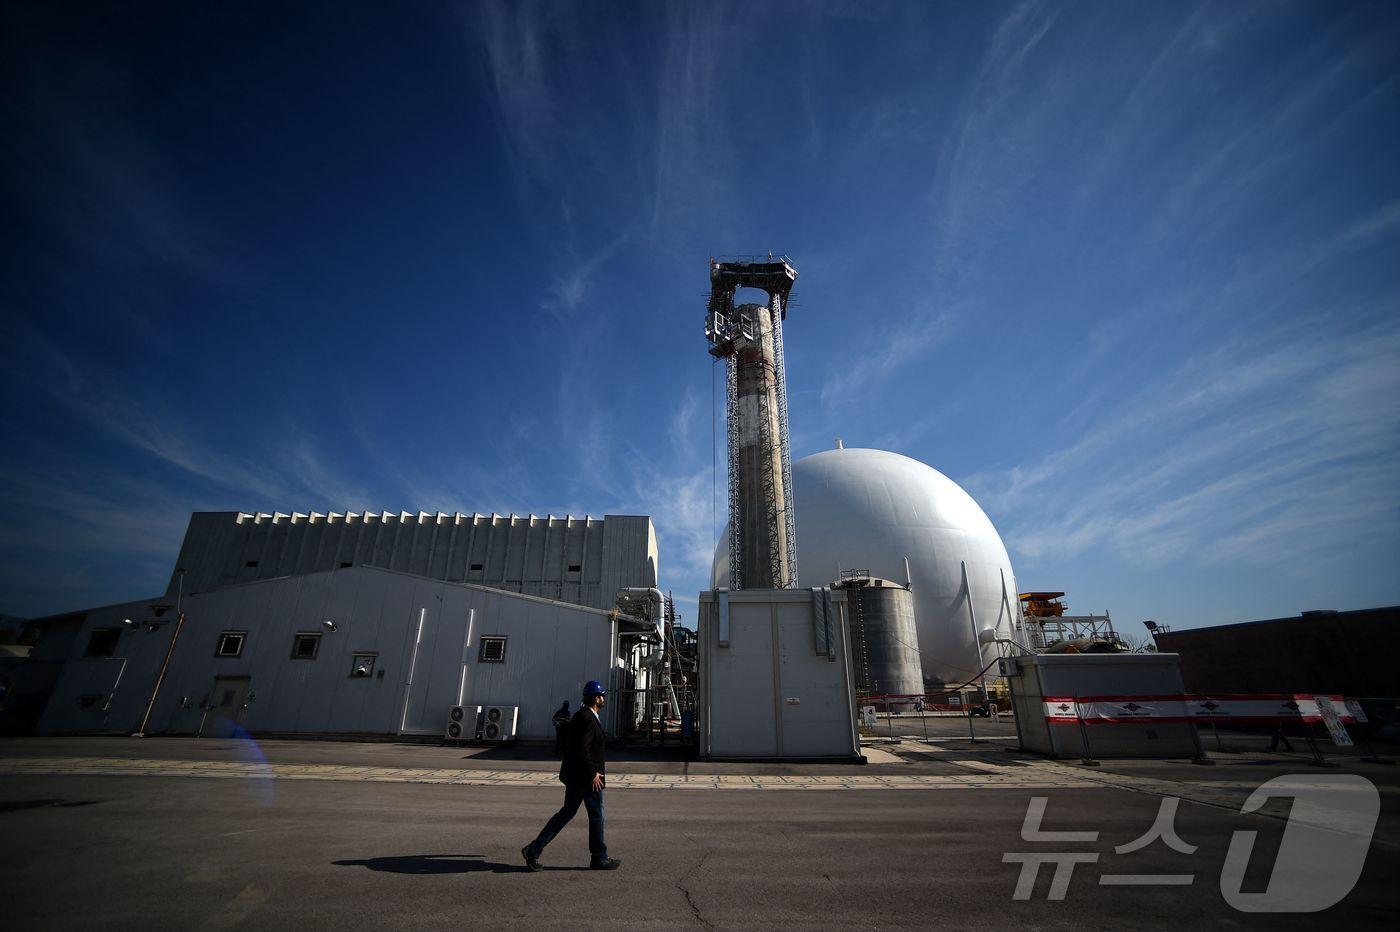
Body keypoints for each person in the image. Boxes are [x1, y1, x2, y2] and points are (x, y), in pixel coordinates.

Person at [522, 680, 620, 871]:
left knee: (566, 813)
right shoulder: (587, 718)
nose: (603, 698)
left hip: (577, 776)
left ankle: (534, 849)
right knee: (597, 815)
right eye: (602, 695)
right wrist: (592, 774)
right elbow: (582, 749)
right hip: (588, 778)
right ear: (596, 698)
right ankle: (599, 857)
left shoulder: (584, 716)